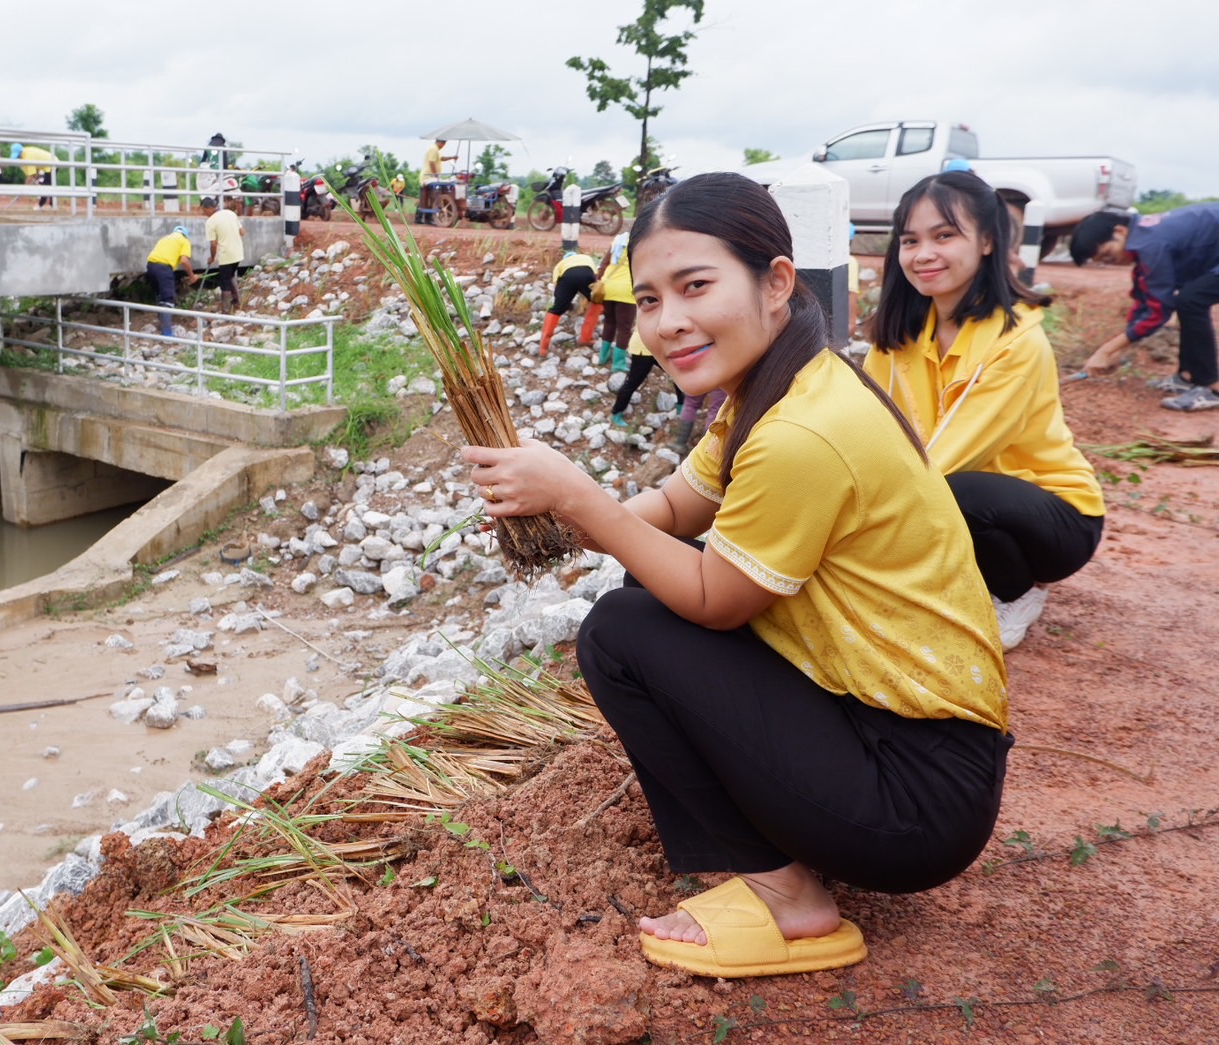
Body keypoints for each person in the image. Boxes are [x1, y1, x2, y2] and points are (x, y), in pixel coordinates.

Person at [462, 172, 1011, 980]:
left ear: (776, 281)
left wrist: (579, 495)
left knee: (619, 632)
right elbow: (675, 506)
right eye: (650, 299)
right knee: (645, 590)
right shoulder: (785, 382)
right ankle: (793, 850)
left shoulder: (801, 433)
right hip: (893, 741)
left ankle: (791, 900)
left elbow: (715, 602)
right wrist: (557, 516)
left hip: (915, 799)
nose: (666, 322)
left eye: (695, 286)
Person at [865, 171, 1105, 650]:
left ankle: (1015, 591)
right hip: (956, 491)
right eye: (910, 240)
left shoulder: (1016, 342)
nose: (923, 254)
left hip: (1057, 517)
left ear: (988, 242)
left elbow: (948, 458)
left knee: (955, 492)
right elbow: (865, 425)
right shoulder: (899, 335)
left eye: (944, 236)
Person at [1071, 204, 1219, 412]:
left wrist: (1106, 350)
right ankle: (1188, 376)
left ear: (1120, 231)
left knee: (1191, 301)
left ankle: (1212, 387)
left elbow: (1158, 311)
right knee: (1188, 300)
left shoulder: (1149, 244)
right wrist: (1119, 350)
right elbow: (1145, 300)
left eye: (1108, 254)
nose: (1111, 262)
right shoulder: (1143, 237)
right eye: (1103, 261)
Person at [608, 329, 684, 429]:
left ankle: (681, 406)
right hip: (643, 349)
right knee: (633, 382)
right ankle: (616, 412)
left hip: (658, 347)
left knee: (677, 373)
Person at [539, 250, 602, 358]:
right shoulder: (586, 257)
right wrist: (590, 297)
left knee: (556, 309)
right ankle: (586, 338)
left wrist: (564, 303)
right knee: (596, 302)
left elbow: (557, 287)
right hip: (586, 274)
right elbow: (596, 278)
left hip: (567, 277)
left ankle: (543, 348)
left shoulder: (560, 264)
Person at [594, 230, 637, 373]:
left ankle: (603, 357)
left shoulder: (617, 242)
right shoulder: (639, 244)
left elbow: (604, 264)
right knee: (624, 328)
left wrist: (598, 281)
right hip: (626, 290)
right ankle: (618, 363)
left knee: (609, 323)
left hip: (609, 287)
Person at [146, 225, 196, 337]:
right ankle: (167, 333)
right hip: (164, 267)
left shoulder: (165, 238)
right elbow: (184, 261)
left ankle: (162, 324)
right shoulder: (184, 241)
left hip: (151, 266)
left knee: (160, 295)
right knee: (168, 299)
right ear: (186, 235)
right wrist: (191, 276)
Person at [202, 196, 245, 314]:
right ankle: (237, 302)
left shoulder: (210, 222)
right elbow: (242, 232)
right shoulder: (230, 213)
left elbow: (213, 244)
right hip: (238, 253)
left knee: (224, 281)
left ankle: (226, 310)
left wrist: (212, 258)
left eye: (204, 210)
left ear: (208, 208)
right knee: (230, 276)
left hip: (226, 255)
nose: (204, 213)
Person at [417, 138, 457, 225]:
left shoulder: (436, 150)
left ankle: (428, 218)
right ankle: (423, 216)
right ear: (440, 143)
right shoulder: (433, 149)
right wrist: (436, 174)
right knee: (434, 194)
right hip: (428, 177)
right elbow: (431, 162)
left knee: (432, 195)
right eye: (444, 144)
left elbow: (441, 158)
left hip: (431, 177)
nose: (443, 146)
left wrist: (452, 157)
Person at [12, 143, 56, 207]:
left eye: (18, 156)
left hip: (51, 164)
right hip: (49, 165)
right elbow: (34, 173)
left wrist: (25, 187)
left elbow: (31, 175)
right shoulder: (27, 152)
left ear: (21, 152)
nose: (19, 157)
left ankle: (41, 205)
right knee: (47, 185)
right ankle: (51, 204)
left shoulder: (27, 156)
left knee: (45, 185)